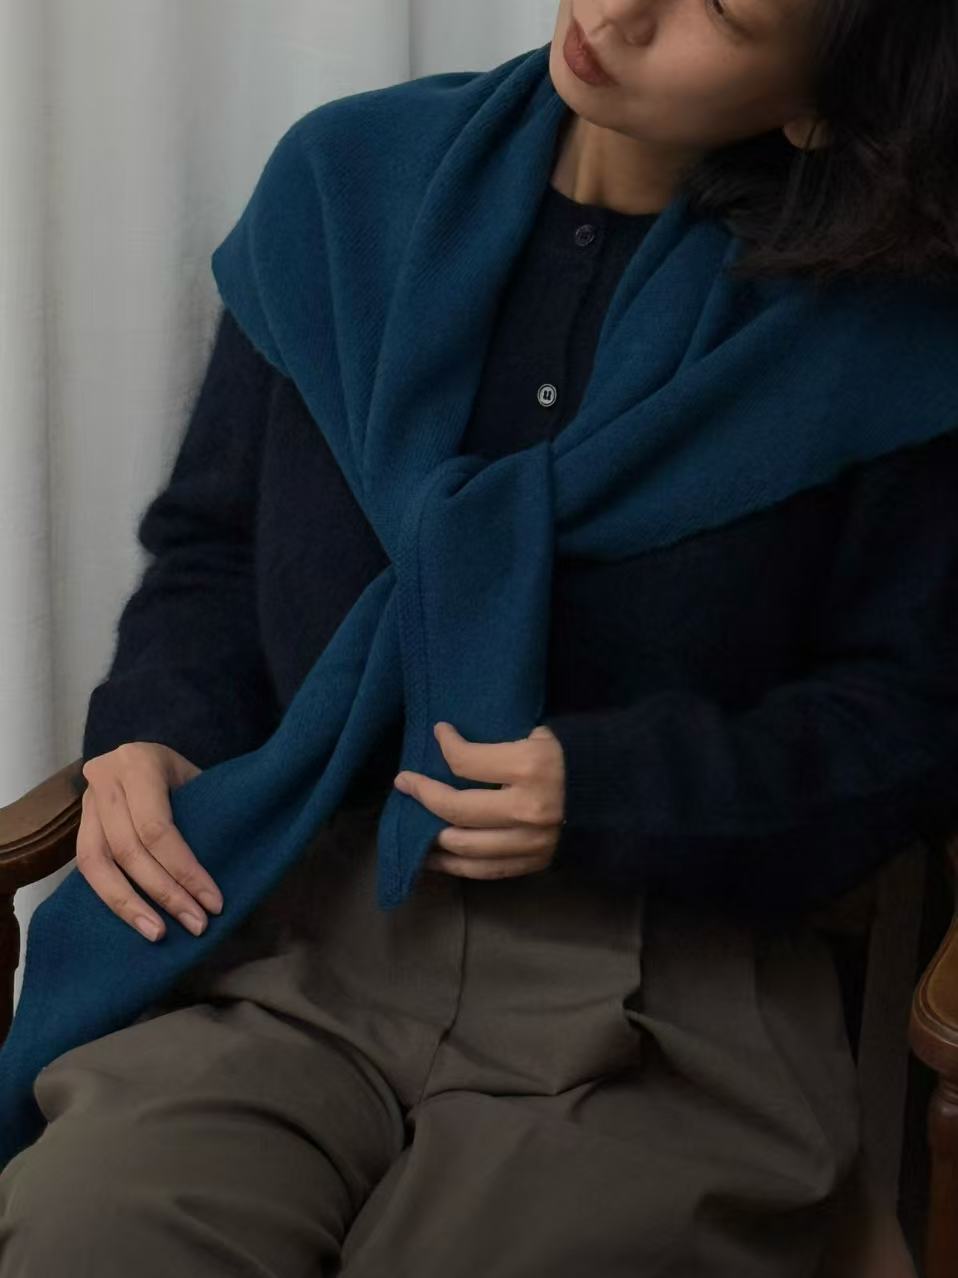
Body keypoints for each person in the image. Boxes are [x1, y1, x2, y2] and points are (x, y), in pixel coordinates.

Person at [2, 2, 957, 1274]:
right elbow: (213, 546)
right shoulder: (347, 187)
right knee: (96, 1233)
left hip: (662, 993)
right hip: (288, 925)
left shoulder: (882, 331)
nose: (617, 11)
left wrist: (610, 786)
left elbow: (906, 714)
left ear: (818, 105)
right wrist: (155, 731)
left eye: (722, 11)